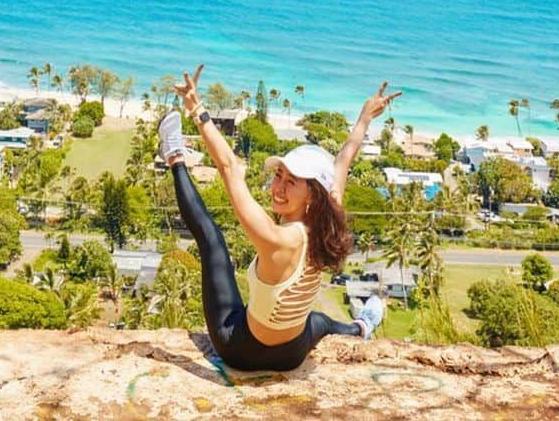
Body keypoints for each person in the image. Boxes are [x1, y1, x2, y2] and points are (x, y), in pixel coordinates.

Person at [158, 65, 402, 372]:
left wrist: (198, 111)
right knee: (319, 321)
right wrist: (365, 118)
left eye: (290, 181)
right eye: (278, 175)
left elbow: (230, 168)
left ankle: (174, 157)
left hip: (241, 350)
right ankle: (361, 329)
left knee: (212, 241)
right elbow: (343, 159)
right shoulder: (328, 216)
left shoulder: (279, 239)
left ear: (312, 193)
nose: (277, 188)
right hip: (292, 354)